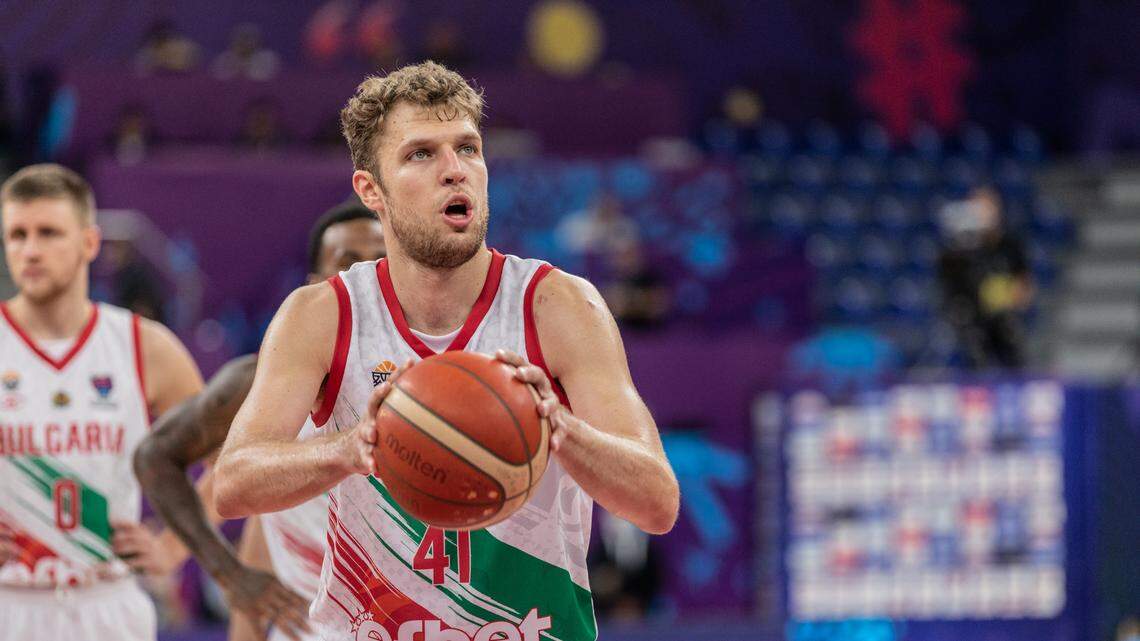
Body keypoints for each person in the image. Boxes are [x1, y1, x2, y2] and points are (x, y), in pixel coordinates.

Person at [213, 61, 680, 641]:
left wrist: (560, 427)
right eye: (421, 154)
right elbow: (233, 483)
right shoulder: (322, 314)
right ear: (371, 191)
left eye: (468, 148)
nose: (455, 170)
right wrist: (353, 447)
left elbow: (658, 502)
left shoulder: (558, 306)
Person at [133, 199, 386, 641]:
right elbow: (156, 456)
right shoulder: (262, 385)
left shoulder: (432, 384)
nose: (366, 279)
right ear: (313, 285)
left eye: (381, 263)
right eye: (348, 265)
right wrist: (231, 577)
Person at [0, 164, 204, 641]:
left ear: (90, 243)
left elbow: (232, 462)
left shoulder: (143, 345)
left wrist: (173, 547)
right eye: (17, 235)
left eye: (48, 233)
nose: (29, 250)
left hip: (108, 603)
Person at [937, 186, 1034, 369]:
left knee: (1014, 358)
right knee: (975, 359)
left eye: (987, 209)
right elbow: (949, 284)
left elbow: (1025, 283)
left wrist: (1012, 297)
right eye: (976, 210)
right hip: (971, 320)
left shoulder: (1010, 244)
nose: (982, 215)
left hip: (1004, 318)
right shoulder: (958, 250)